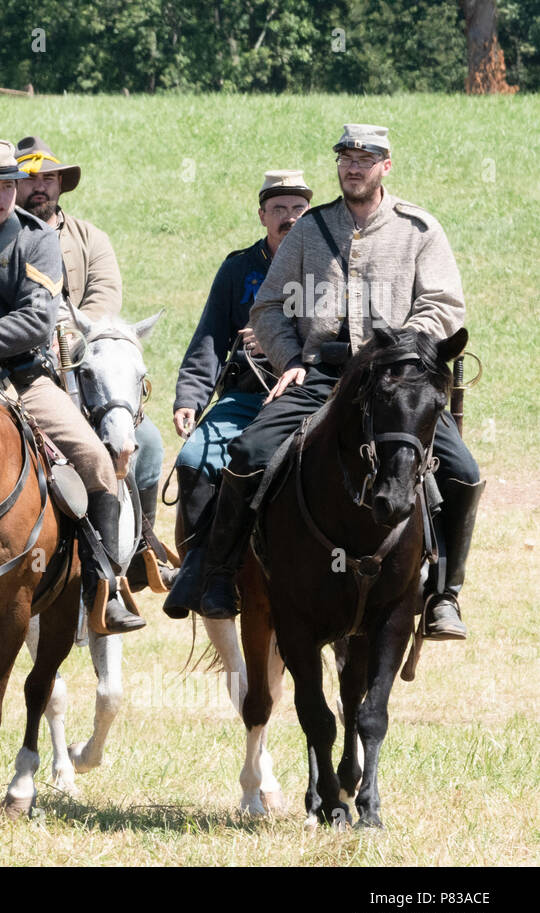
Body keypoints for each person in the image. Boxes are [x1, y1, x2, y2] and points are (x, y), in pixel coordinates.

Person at [197, 124, 482, 641]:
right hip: (322, 374)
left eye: (365, 158)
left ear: (385, 167)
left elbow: (444, 306)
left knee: (464, 471)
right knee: (248, 453)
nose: (353, 167)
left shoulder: (420, 231)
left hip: (398, 385)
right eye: (346, 157)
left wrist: (400, 354)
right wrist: (289, 358)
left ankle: (444, 595)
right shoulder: (310, 229)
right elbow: (268, 307)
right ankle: (219, 576)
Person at [0, 138, 144, 634]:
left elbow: (36, 322)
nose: (2, 197)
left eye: (9, 187)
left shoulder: (37, 238)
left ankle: (103, 583)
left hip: (22, 377)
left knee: (95, 462)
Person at [15, 135, 167, 591]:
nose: (39, 186)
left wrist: (68, 328)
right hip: (24, 368)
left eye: (48, 178)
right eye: (29, 178)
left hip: (86, 365)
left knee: (150, 442)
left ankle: (140, 546)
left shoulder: (90, 239)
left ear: (61, 183)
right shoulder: (6, 236)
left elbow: (104, 302)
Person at [163, 170, 312, 617]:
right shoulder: (237, 268)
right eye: (279, 209)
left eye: (297, 209)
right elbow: (209, 336)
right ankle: (200, 566)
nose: (288, 218)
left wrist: (281, 341)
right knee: (193, 461)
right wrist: (189, 395)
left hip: (306, 393)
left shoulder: (324, 263)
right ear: (262, 214)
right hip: (245, 395)